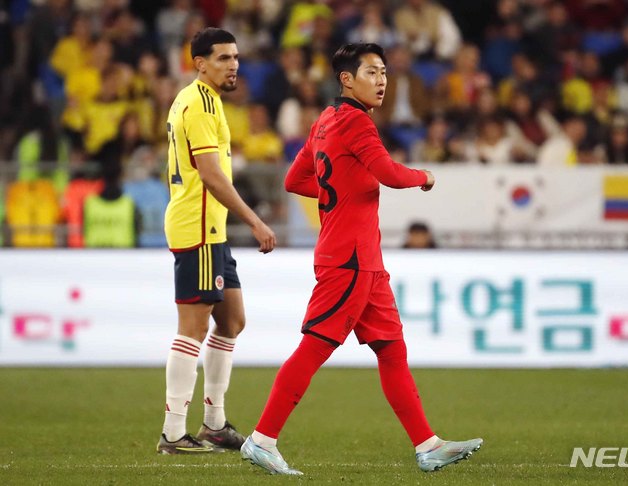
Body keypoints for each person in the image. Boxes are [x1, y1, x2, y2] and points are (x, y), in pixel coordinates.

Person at [239, 43, 482, 475]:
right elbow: (389, 173)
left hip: (363, 260)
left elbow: (297, 180)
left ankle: (427, 445)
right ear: (346, 79)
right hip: (348, 260)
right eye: (372, 72)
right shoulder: (357, 123)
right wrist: (423, 177)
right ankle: (262, 439)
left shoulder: (325, 122)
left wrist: (339, 192)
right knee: (315, 347)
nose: (382, 80)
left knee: (392, 350)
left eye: (384, 72)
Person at [157, 28, 276, 454]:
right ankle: (173, 432)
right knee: (192, 328)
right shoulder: (201, 103)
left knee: (232, 321)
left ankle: (214, 423)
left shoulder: (197, 99)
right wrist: (256, 222)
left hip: (212, 229)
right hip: (200, 226)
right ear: (200, 63)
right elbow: (210, 173)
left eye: (236, 57)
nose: (234, 65)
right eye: (223, 58)